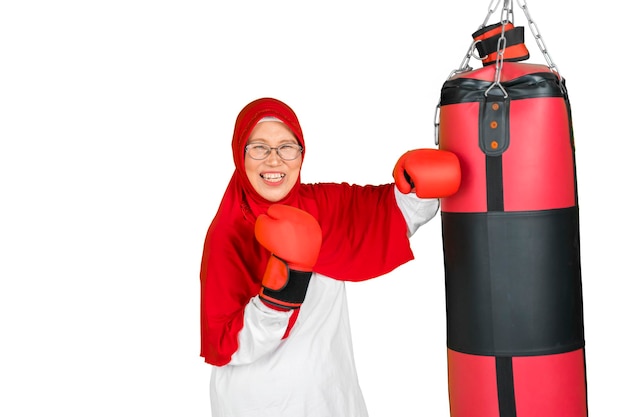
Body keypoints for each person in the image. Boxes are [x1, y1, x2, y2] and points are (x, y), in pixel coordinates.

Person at [199, 97, 460, 417]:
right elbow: (228, 347)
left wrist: (417, 186)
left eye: (286, 147)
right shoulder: (227, 234)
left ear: (301, 153)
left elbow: (389, 214)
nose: (274, 160)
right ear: (240, 155)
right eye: (259, 147)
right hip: (256, 405)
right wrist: (283, 290)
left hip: (331, 399)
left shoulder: (324, 207)